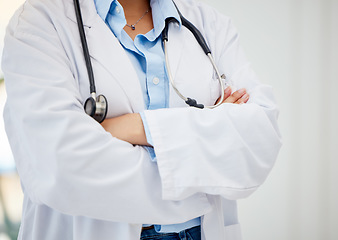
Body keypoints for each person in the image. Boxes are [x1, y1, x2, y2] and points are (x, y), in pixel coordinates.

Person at [1, 0, 282, 239]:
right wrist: (207, 153)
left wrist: (135, 127)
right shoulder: (38, 23)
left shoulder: (207, 21)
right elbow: (60, 165)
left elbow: (260, 136)